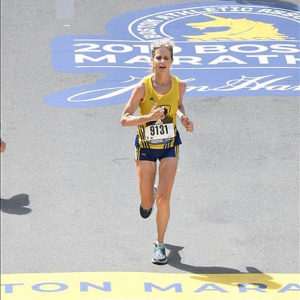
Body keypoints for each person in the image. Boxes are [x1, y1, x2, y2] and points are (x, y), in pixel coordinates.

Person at [120, 39, 194, 265]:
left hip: (170, 146)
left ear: (172, 61)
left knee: (164, 200)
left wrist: (183, 118)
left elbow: (178, 105)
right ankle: (147, 196)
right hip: (145, 149)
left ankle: (160, 244)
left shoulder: (179, 85)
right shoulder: (142, 88)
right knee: (148, 204)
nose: (162, 61)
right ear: (151, 61)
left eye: (166, 58)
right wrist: (147, 118)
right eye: (158, 57)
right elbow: (124, 119)